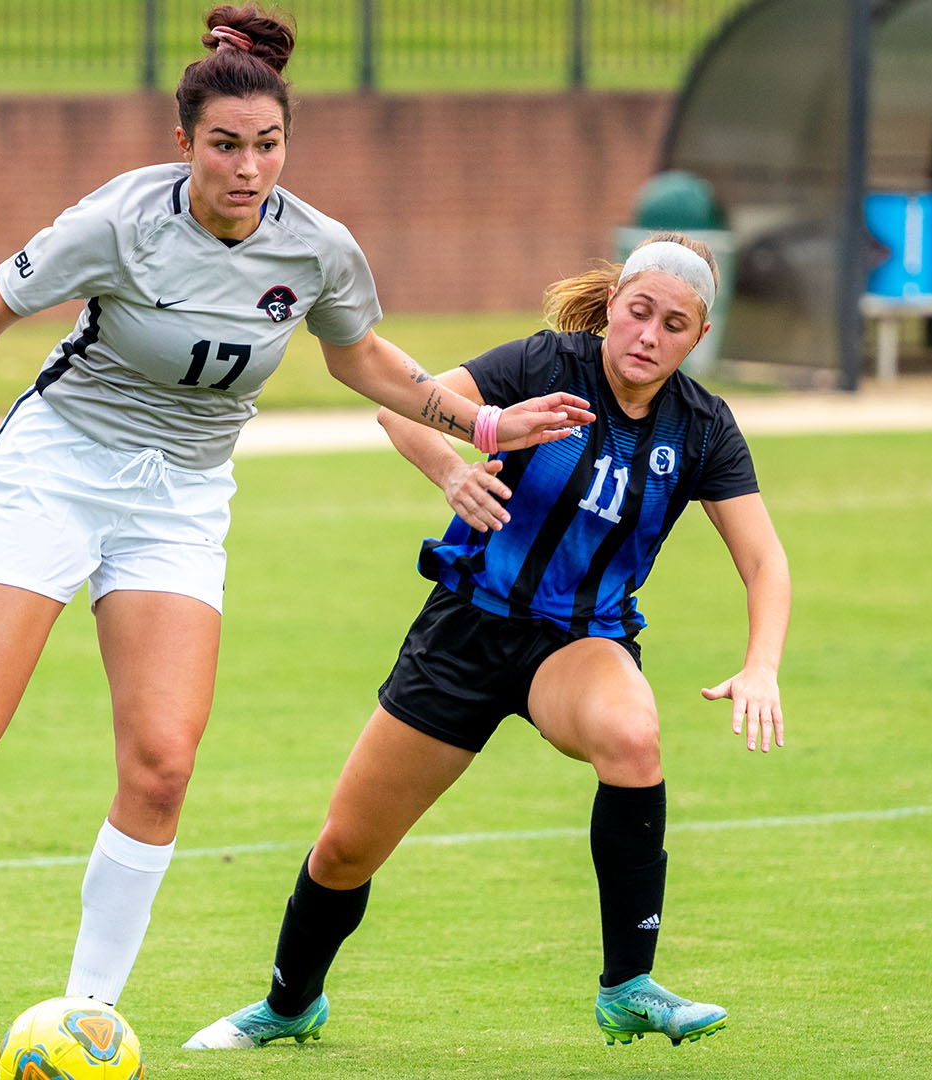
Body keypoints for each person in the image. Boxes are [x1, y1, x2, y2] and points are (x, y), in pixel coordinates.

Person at [0, 4, 592, 1011]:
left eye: (267, 146)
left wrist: (476, 427)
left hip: (181, 499)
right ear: (184, 143)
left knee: (164, 767)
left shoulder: (317, 250)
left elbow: (361, 359)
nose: (247, 169)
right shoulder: (121, 221)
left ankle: (88, 1017)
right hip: (59, 467)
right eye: (224, 147)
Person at [184, 233, 791, 1051]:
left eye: (674, 324)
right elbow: (405, 404)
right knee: (344, 849)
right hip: (468, 629)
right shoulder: (545, 364)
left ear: (698, 336)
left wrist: (762, 666)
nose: (650, 335)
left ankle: (629, 984)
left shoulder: (703, 428)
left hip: (579, 644)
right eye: (639, 312)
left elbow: (764, 560)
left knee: (633, 733)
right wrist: (452, 468)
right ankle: (290, 1003)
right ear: (613, 306)